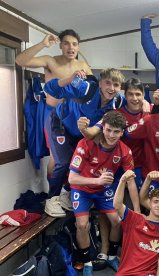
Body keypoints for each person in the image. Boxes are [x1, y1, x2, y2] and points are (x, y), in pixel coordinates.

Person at [15, 29, 92, 215]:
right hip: (53, 115)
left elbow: (92, 90)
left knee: (75, 155)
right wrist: (42, 44)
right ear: (61, 45)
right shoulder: (51, 60)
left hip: (73, 115)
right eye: (66, 43)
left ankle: (65, 193)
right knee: (57, 158)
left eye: (74, 44)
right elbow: (20, 61)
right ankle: (53, 197)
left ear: (78, 46)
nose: (70, 47)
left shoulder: (82, 64)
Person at [43, 68, 125, 217]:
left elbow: (134, 101)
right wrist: (69, 78)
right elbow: (50, 88)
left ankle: (66, 193)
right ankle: (51, 198)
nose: (111, 88)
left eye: (116, 85)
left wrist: (146, 103)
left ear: (120, 88)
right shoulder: (85, 88)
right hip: (59, 124)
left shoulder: (117, 101)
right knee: (63, 161)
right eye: (108, 83)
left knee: (83, 162)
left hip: (80, 133)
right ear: (100, 83)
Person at [68, 111, 135, 276]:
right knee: (83, 225)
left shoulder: (124, 151)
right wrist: (97, 181)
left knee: (117, 221)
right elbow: (72, 179)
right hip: (82, 189)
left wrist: (138, 211)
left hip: (104, 190)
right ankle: (87, 263)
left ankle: (112, 256)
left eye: (116, 131)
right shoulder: (86, 144)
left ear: (122, 132)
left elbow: (130, 180)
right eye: (108, 130)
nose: (112, 135)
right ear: (102, 128)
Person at [114, 169, 159, 275]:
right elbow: (117, 205)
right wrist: (122, 181)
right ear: (149, 203)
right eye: (155, 202)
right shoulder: (135, 219)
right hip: (127, 273)